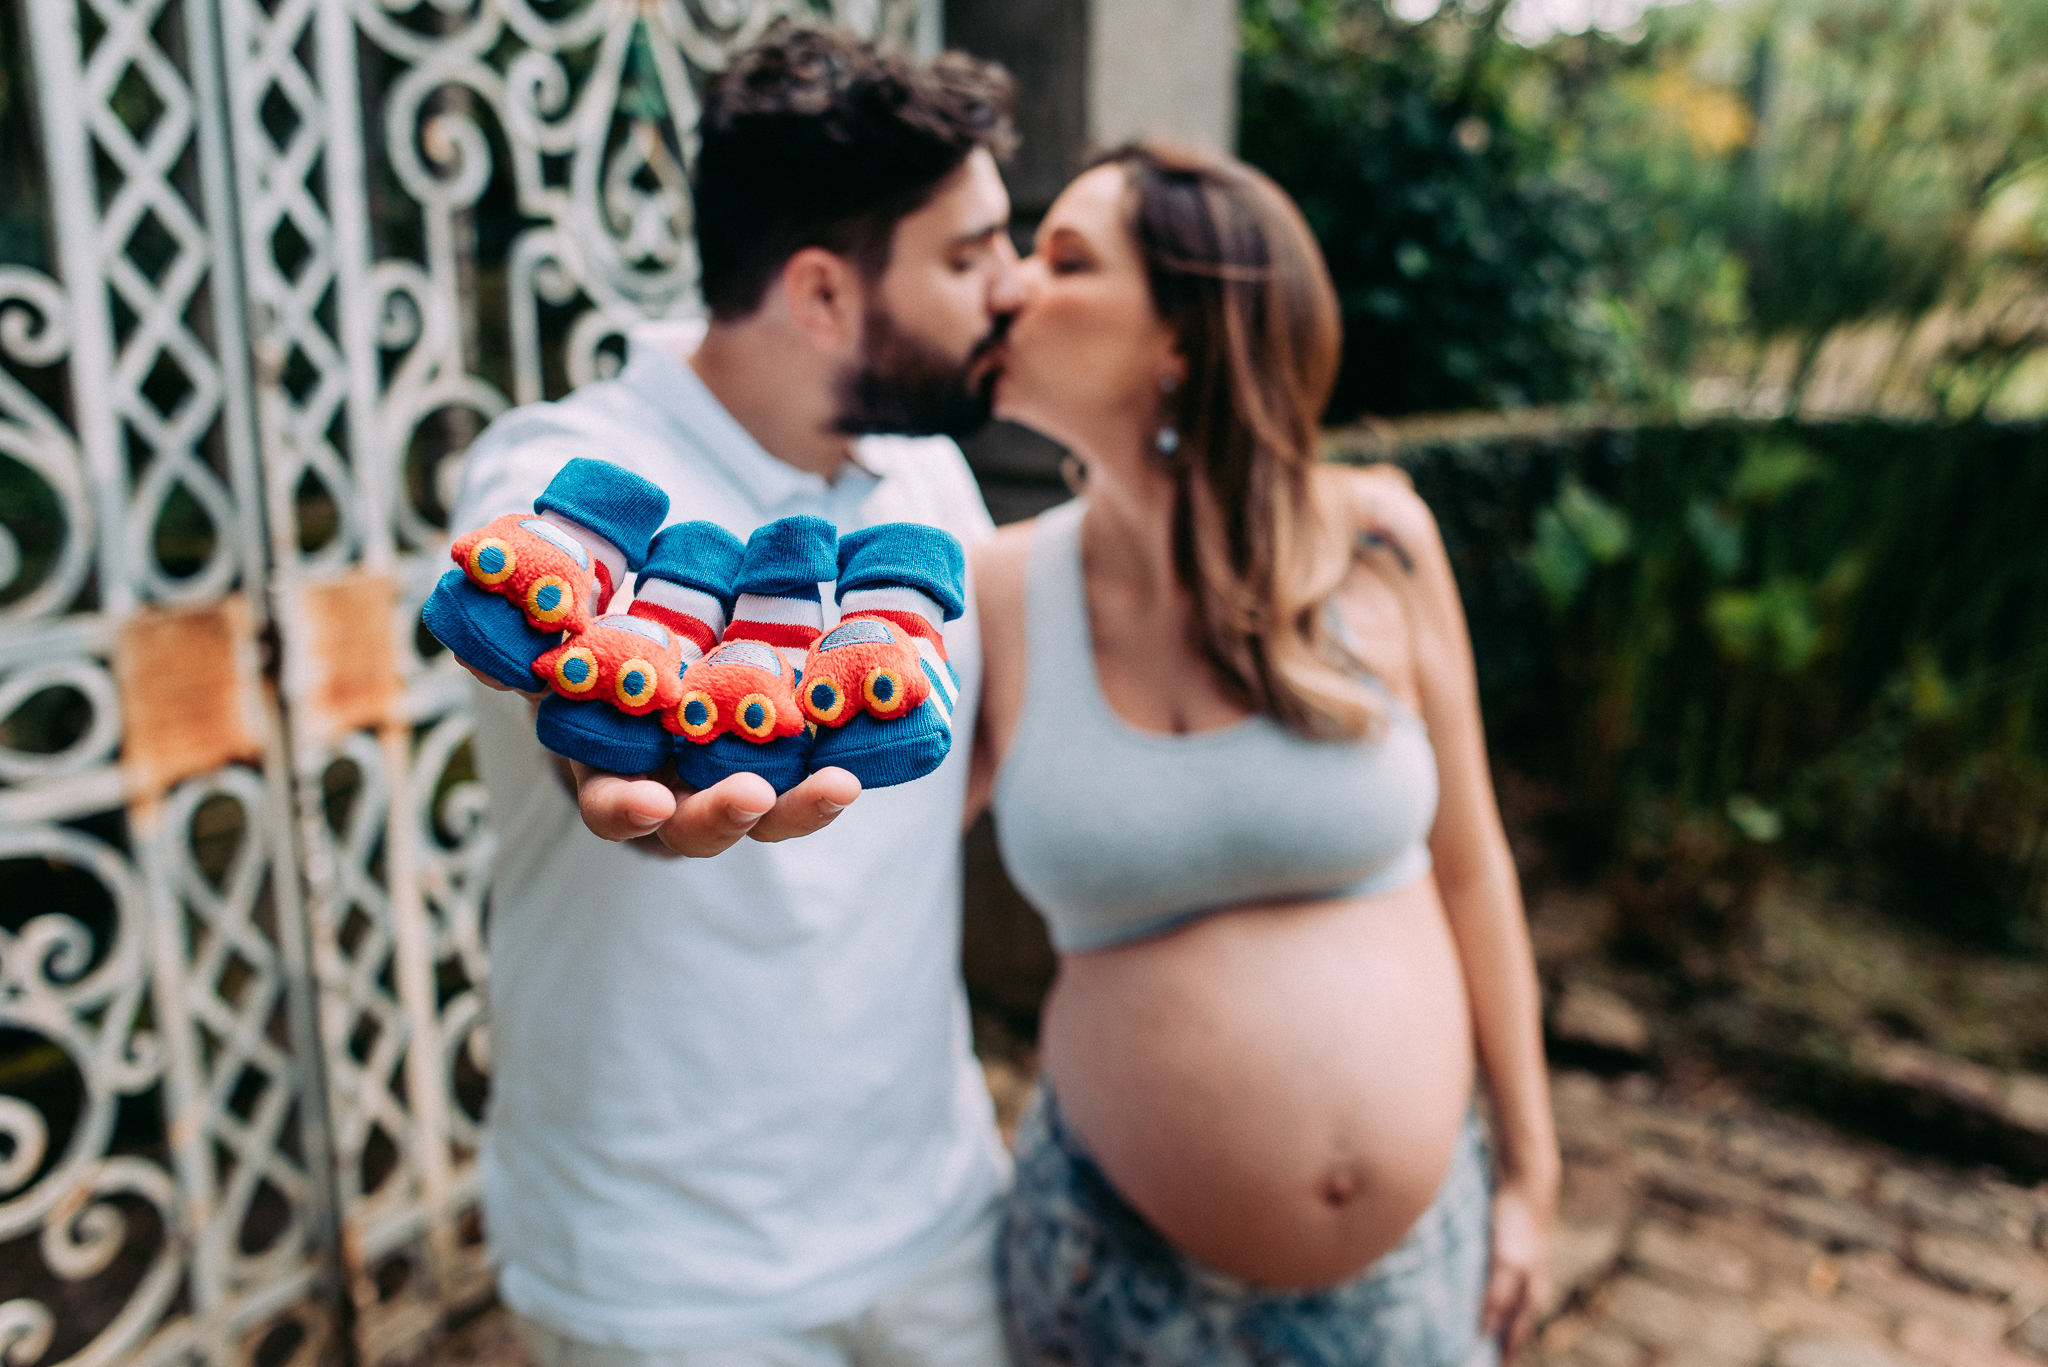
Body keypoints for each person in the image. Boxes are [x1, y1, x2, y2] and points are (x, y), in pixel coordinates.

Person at [451, 23, 1025, 1365]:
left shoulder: (923, 483)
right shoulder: (572, 467)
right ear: (823, 294)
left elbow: (970, 750)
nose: (1012, 287)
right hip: (667, 1277)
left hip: (938, 1209)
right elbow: (553, 614)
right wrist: (621, 767)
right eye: (968, 252)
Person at [967, 144, 1559, 1364]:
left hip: (1400, 1280)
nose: (1012, 287)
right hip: (1106, 1272)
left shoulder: (1378, 539)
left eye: (1064, 259)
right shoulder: (996, 589)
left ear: (1185, 331)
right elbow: (847, 846)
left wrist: (1532, 1172)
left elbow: (1470, 867)